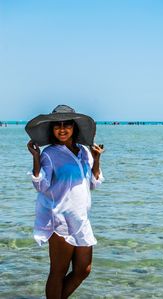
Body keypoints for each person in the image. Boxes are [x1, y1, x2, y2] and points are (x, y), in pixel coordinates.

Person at [26, 105, 104, 299]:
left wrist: (97, 159)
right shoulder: (50, 154)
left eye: (66, 124)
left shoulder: (85, 152)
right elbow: (41, 185)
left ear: (74, 127)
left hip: (81, 218)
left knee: (83, 269)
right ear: (52, 129)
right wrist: (36, 158)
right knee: (58, 272)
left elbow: (94, 184)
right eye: (57, 125)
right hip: (60, 219)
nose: (62, 129)